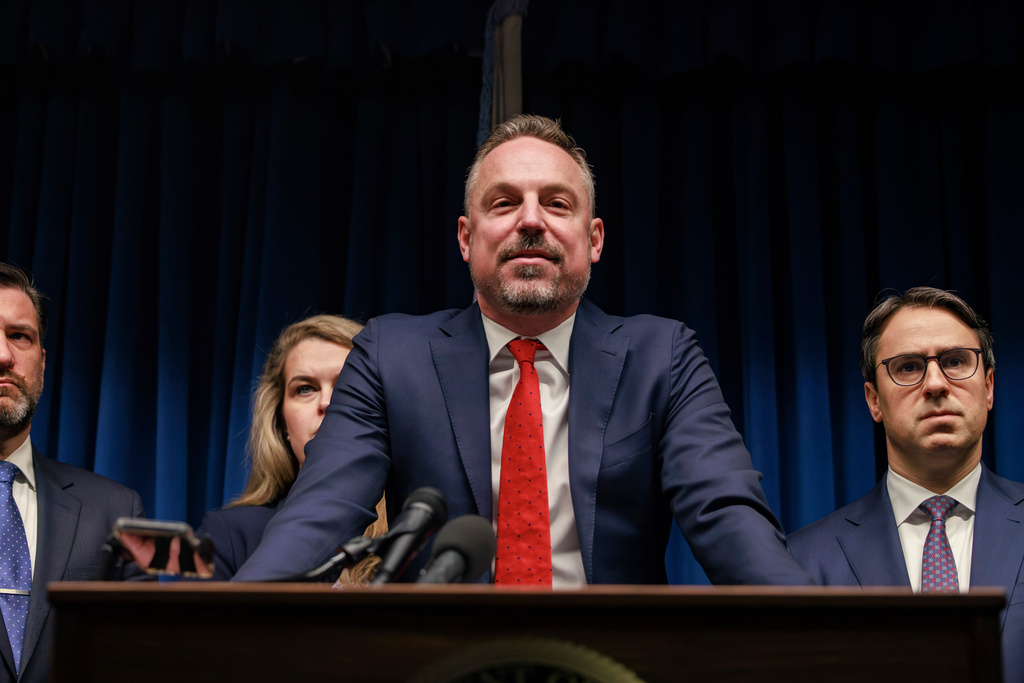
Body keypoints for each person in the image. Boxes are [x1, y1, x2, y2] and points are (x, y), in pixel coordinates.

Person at [234, 114, 811, 586]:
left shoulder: (662, 356)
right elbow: (318, 516)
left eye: (557, 204)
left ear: (594, 239)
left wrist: (822, 644)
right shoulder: (390, 354)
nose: (531, 220)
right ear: (466, 238)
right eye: (504, 203)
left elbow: (729, 520)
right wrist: (227, 628)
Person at [788, 287, 1023, 681]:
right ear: (874, 400)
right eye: (909, 367)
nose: (935, 384)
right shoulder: (802, 563)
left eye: (955, 361)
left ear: (989, 387)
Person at [0, 262, 145, 683]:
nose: (4, 355)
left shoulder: (117, 510)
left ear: (41, 362)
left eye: (19, 336)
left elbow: (138, 661)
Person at [198, 315, 387, 582]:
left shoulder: (421, 531)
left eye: (348, 386)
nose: (327, 403)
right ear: (281, 422)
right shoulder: (229, 535)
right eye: (305, 389)